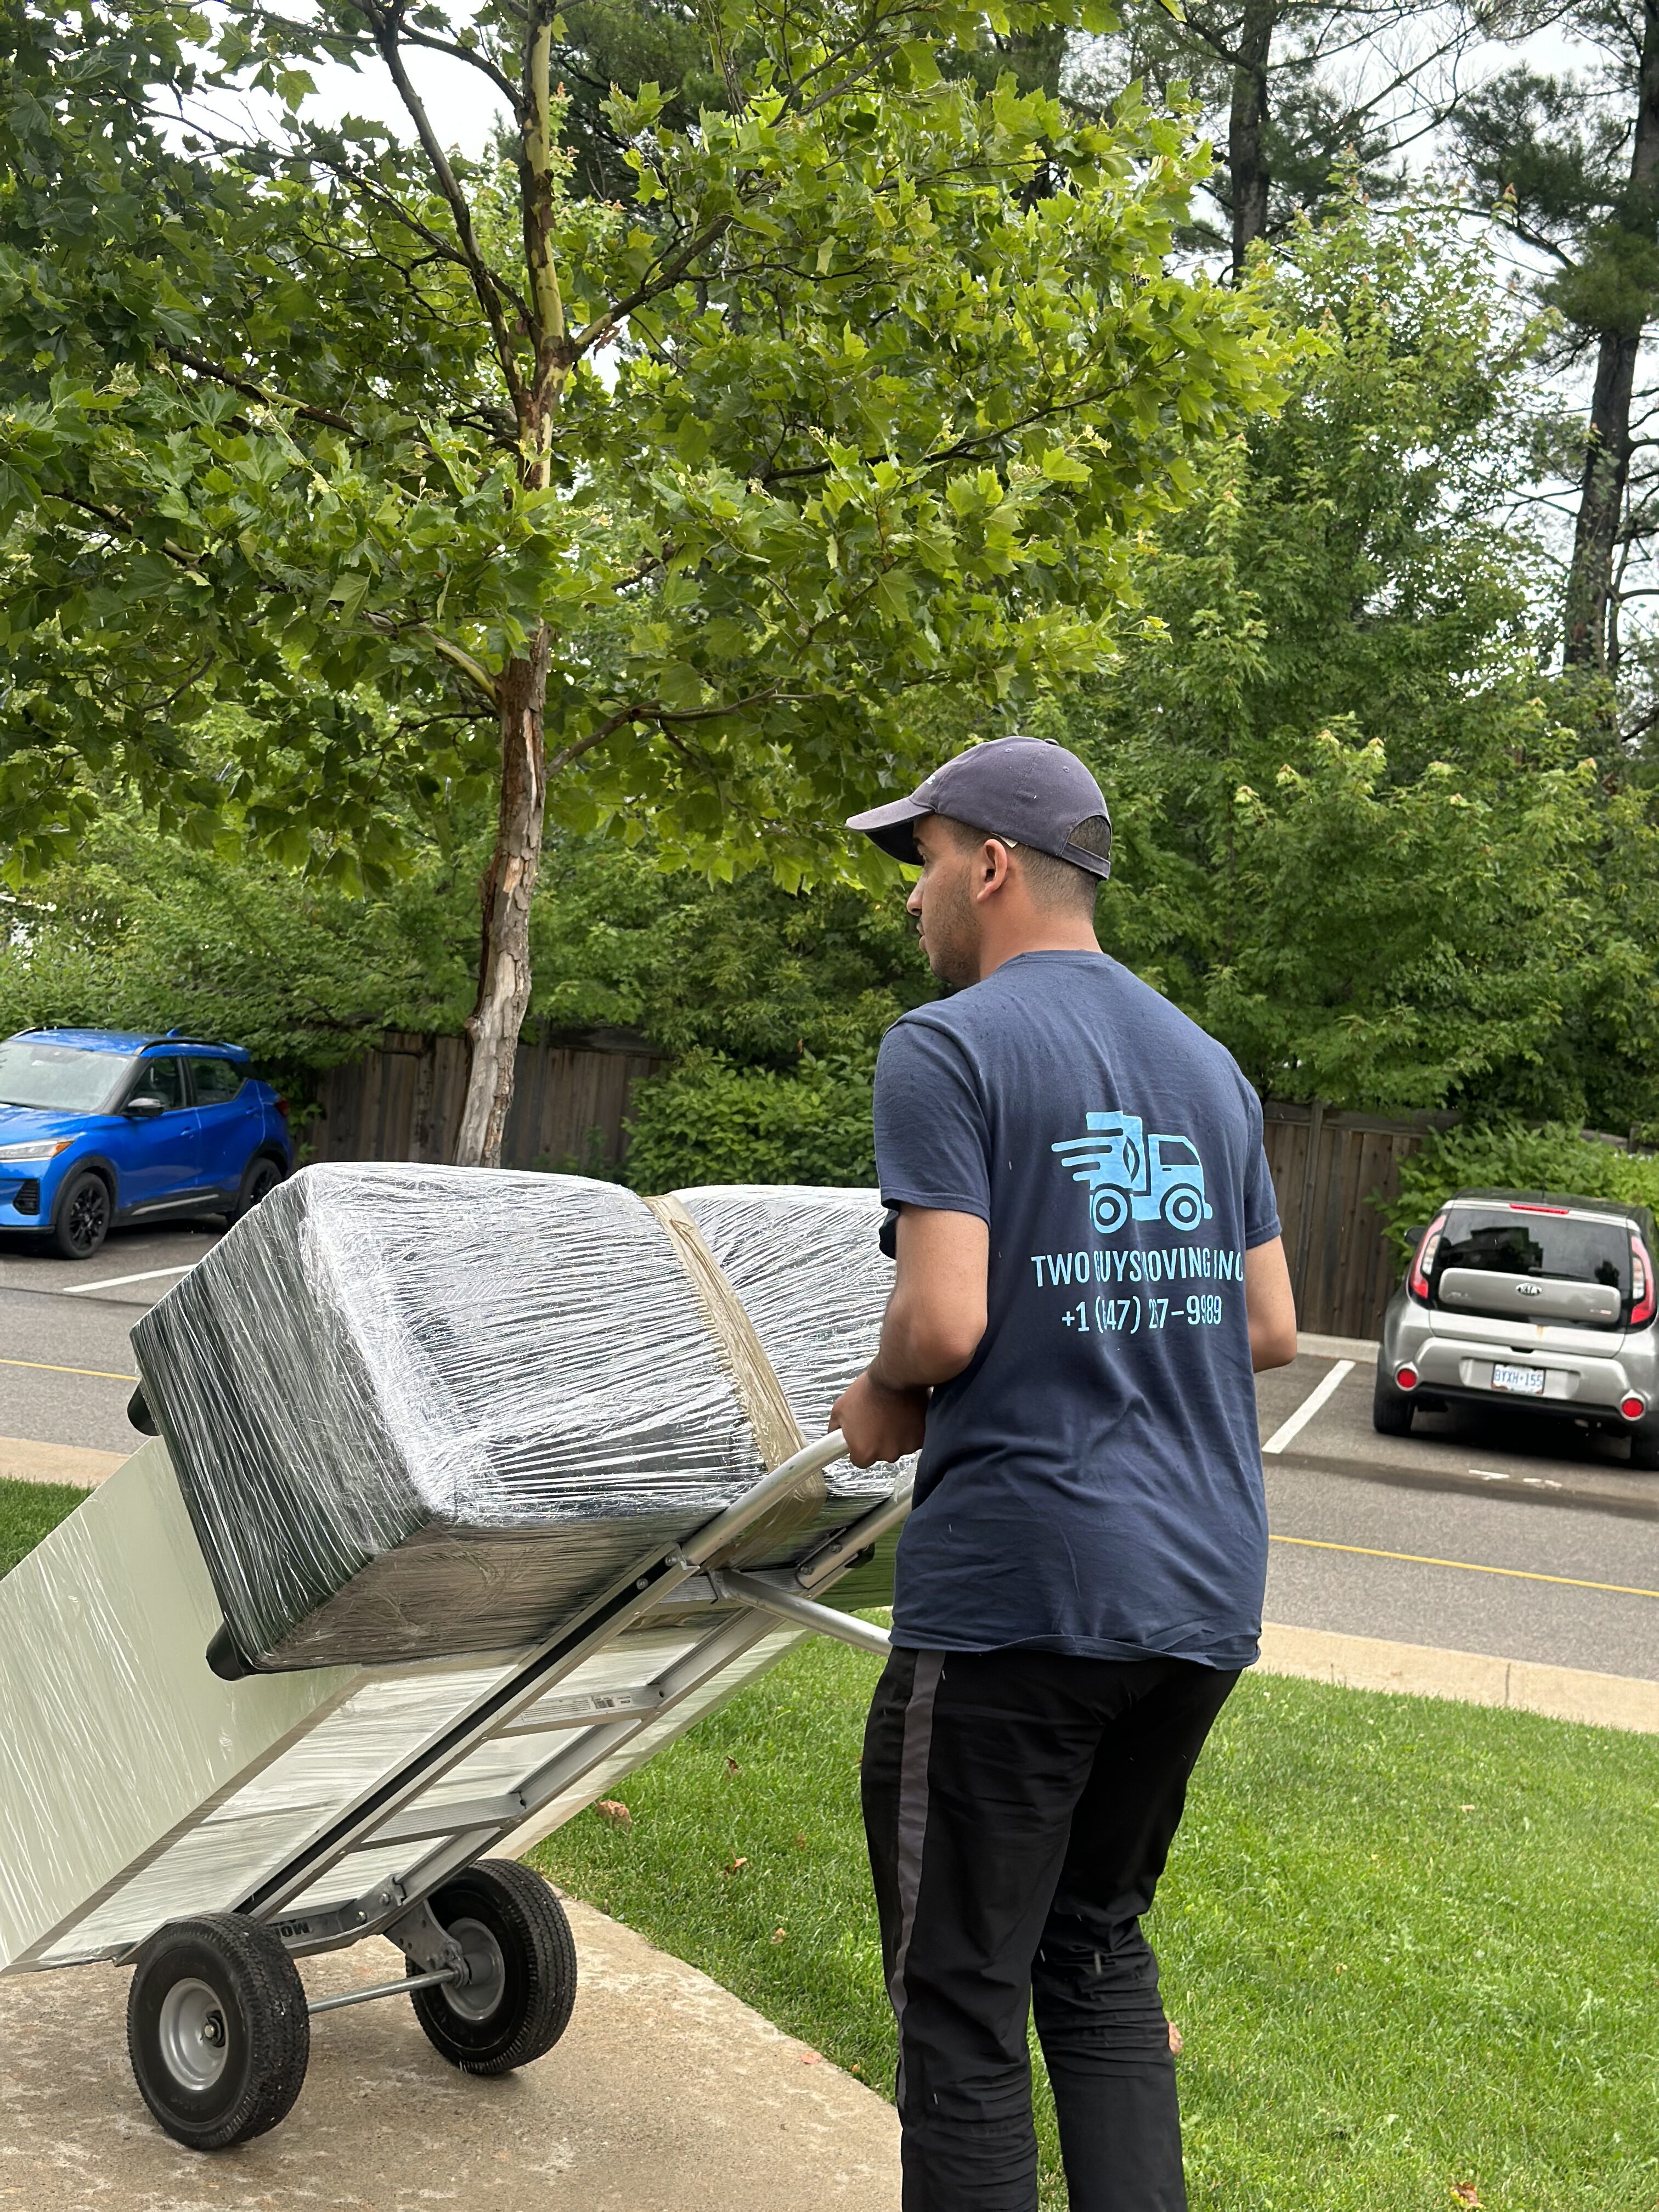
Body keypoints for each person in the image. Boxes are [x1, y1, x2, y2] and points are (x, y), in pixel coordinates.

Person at [830, 736, 1297, 2212]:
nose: (913, 899)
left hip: (1022, 1596)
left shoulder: (948, 1047)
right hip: (1202, 1596)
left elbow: (946, 1314)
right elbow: (1271, 1325)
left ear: (994, 866)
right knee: (1091, 1949)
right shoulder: (1208, 1069)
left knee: (960, 1999)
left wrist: (884, 1392)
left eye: (924, 859)